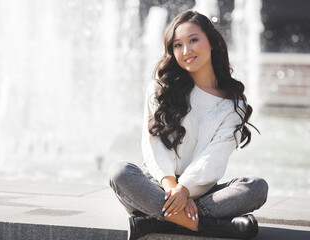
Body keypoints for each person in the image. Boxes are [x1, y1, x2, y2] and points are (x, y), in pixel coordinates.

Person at [109, 10, 268, 240]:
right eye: (177, 45)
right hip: (158, 189)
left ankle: (156, 222)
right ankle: (213, 228)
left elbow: (214, 157)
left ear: (211, 42)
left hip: (199, 193)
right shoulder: (160, 89)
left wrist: (185, 190)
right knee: (120, 173)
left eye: (193, 40)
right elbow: (153, 146)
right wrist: (173, 188)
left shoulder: (233, 104)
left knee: (256, 188)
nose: (186, 51)